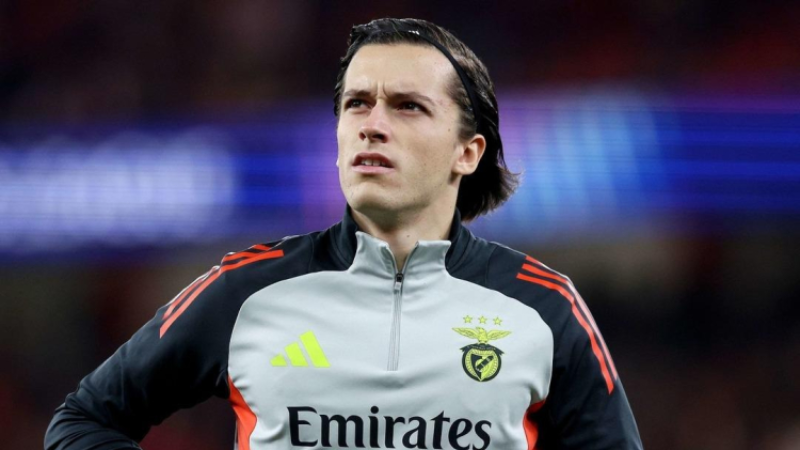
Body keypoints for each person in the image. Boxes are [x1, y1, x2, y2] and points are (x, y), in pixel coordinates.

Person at [45, 18, 642, 450]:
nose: (372, 125)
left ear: (468, 151)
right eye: (357, 103)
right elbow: (82, 423)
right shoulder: (246, 291)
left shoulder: (544, 307)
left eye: (407, 106)